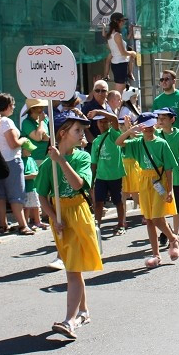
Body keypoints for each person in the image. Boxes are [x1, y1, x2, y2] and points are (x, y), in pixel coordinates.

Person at [35, 109, 103, 341]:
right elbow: (42, 194)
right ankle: (83, 312)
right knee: (73, 268)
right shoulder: (47, 165)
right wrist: (53, 216)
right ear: (62, 133)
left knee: (74, 269)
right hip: (61, 218)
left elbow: (77, 184)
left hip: (79, 215)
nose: (82, 133)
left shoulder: (82, 157)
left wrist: (61, 160)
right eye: (77, 130)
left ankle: (69, 321)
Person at [117, 113, 179, 268]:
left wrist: (170, 189)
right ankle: (156, 255)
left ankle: (172, 238)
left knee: (158, 218)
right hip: (144, 182)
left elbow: (169, 168)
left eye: (152, 125)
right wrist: (129, 130)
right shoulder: (137, 143)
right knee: (149, 220)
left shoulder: (161, 143)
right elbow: (119, 142)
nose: (149, 128)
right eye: (145, 126)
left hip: (159, 181)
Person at [0, 93, 30, 235]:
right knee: (16, 194)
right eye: (12, 105)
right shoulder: (6, 122)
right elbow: (13, 143)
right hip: (11, 160)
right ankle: (22, 224)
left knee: (0, 195)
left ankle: (3, 224)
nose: (13, 107)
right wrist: (23, 140)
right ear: (7, 106)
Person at [157, 108, 179, 235]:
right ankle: (166, 231)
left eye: (164, 118)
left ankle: (175, 233)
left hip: (175, 175)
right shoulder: (156, 134)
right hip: (159, 176)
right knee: (161, 206)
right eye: (159, 118)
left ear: (172, 119)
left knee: (176, 206)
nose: (160, 120)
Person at [104, 12, 136, 92]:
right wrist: (133, 53)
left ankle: (130, 73)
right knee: (119, 91)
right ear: (117, 21)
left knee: (121, 90)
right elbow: (123, 52)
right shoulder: (117, 35)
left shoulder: (110, 34)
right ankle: (114, 103)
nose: (123, 23)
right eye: (122, 21)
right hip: (120, 64)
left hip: (118, 63)